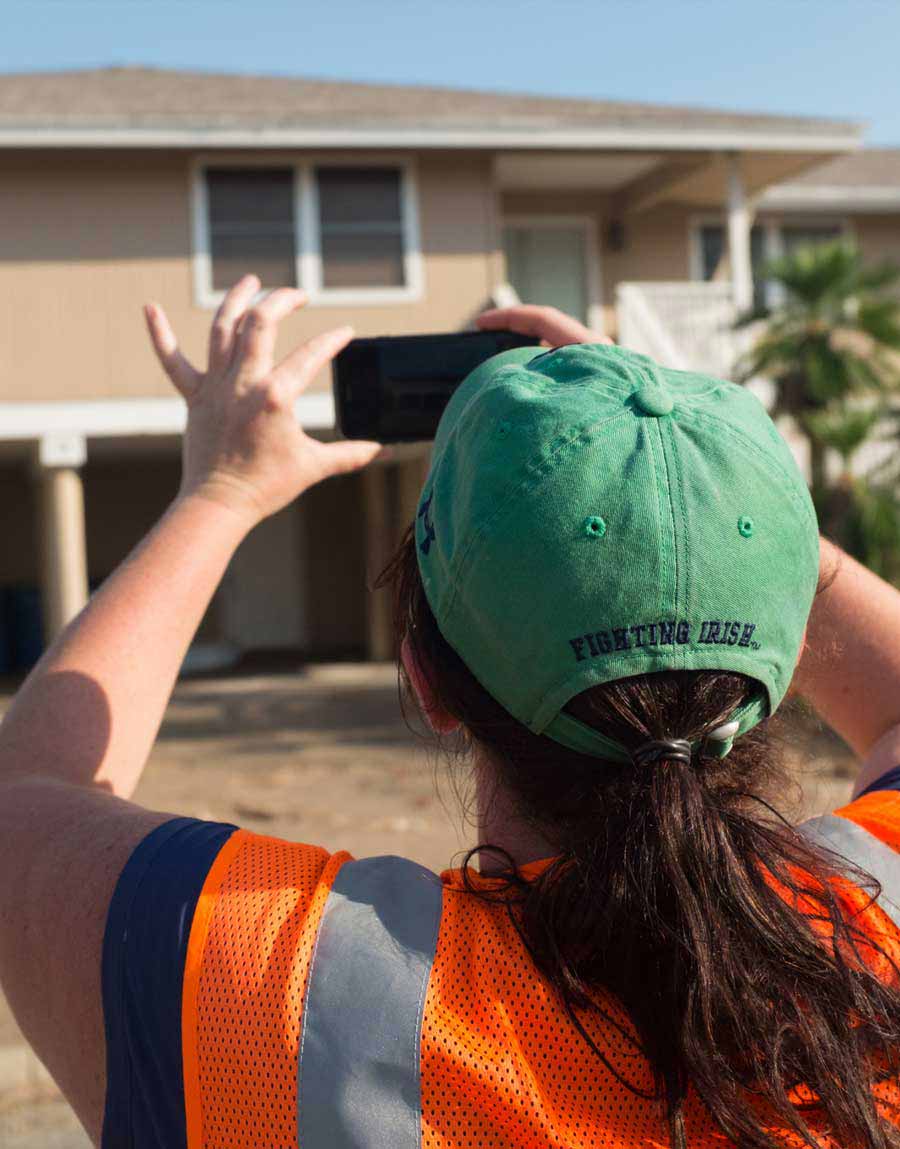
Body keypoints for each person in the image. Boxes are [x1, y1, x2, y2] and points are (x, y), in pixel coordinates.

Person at [0, 278, 899, 1149]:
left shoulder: (270, 990)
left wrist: (222, 492)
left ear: (425, 678)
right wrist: (709, 483)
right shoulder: (876, 922)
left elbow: (24, 794)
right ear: (776, 673)